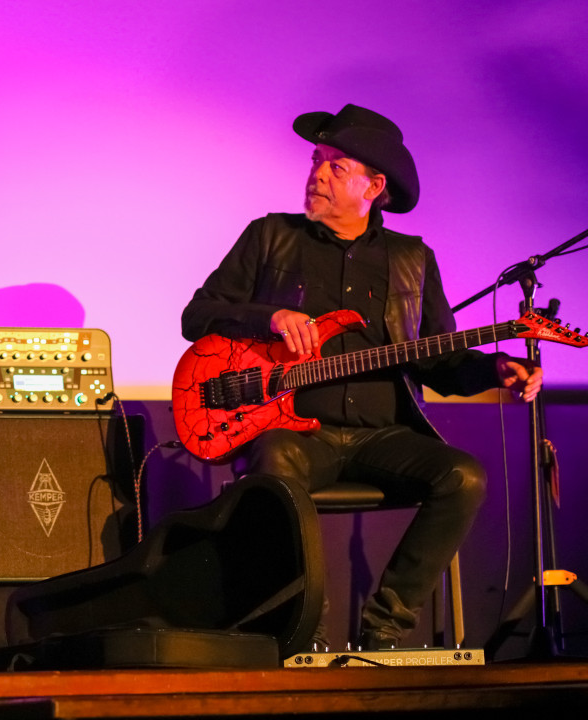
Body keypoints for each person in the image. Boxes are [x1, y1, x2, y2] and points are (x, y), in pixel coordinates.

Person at [180, 104, 543, 649]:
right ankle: (302, 632)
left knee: (464, 478)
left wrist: (496, 369)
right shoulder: (270, 237)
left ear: (374, 187)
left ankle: (385, 628)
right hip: (299, 435)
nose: (317, 174)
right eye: (316, 161)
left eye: (335, 166)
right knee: (274, 463)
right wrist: (269, 316)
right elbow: (197, 315)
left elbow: (436, 362)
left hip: (383, 437)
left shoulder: (411, 260)